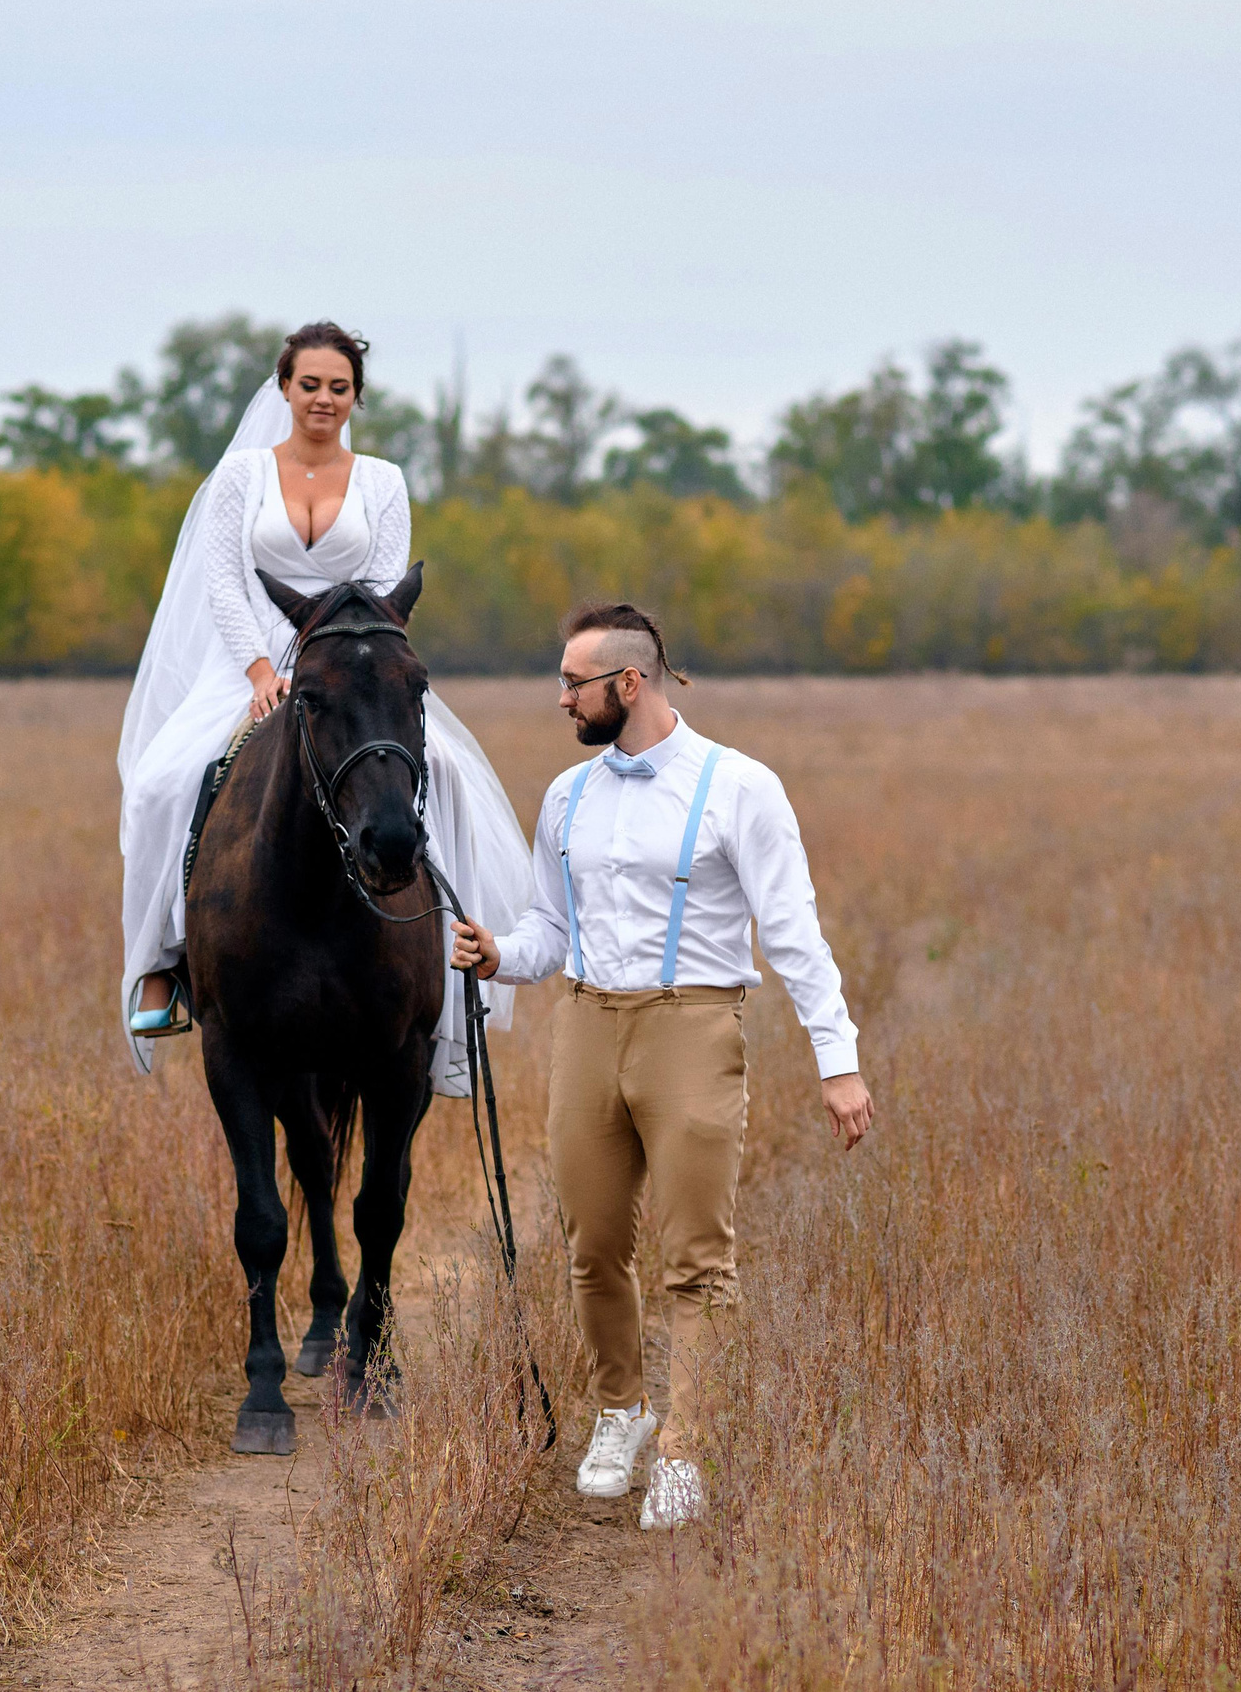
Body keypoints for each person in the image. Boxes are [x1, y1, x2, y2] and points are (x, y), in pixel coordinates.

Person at [449, 602, 874, 1529]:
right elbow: (550, 931)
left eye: (574, 682)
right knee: (592, 1243)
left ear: (628, 684)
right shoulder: (566, 796)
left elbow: (793, 933)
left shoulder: (740, 787)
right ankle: (623, 1410)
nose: (559, 697)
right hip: (587, 1027)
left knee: (696, 1258)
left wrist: (837, 1062)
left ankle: (686, 1450)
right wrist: (496, 952)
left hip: (694, 1027)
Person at [119, 321, 532, 1089]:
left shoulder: (384, 481)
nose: (323, 398)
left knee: (447, 780)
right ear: (284, 388)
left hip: (352, 667)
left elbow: (377, 594)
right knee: (159, 783)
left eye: (339, 387)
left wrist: (327, 662)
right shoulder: (240, 477)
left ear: (355, 397)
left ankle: (455, 982)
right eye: (309, 384)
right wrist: (256, 672)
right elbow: (223, 583)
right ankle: (163, 966)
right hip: (244, 666)